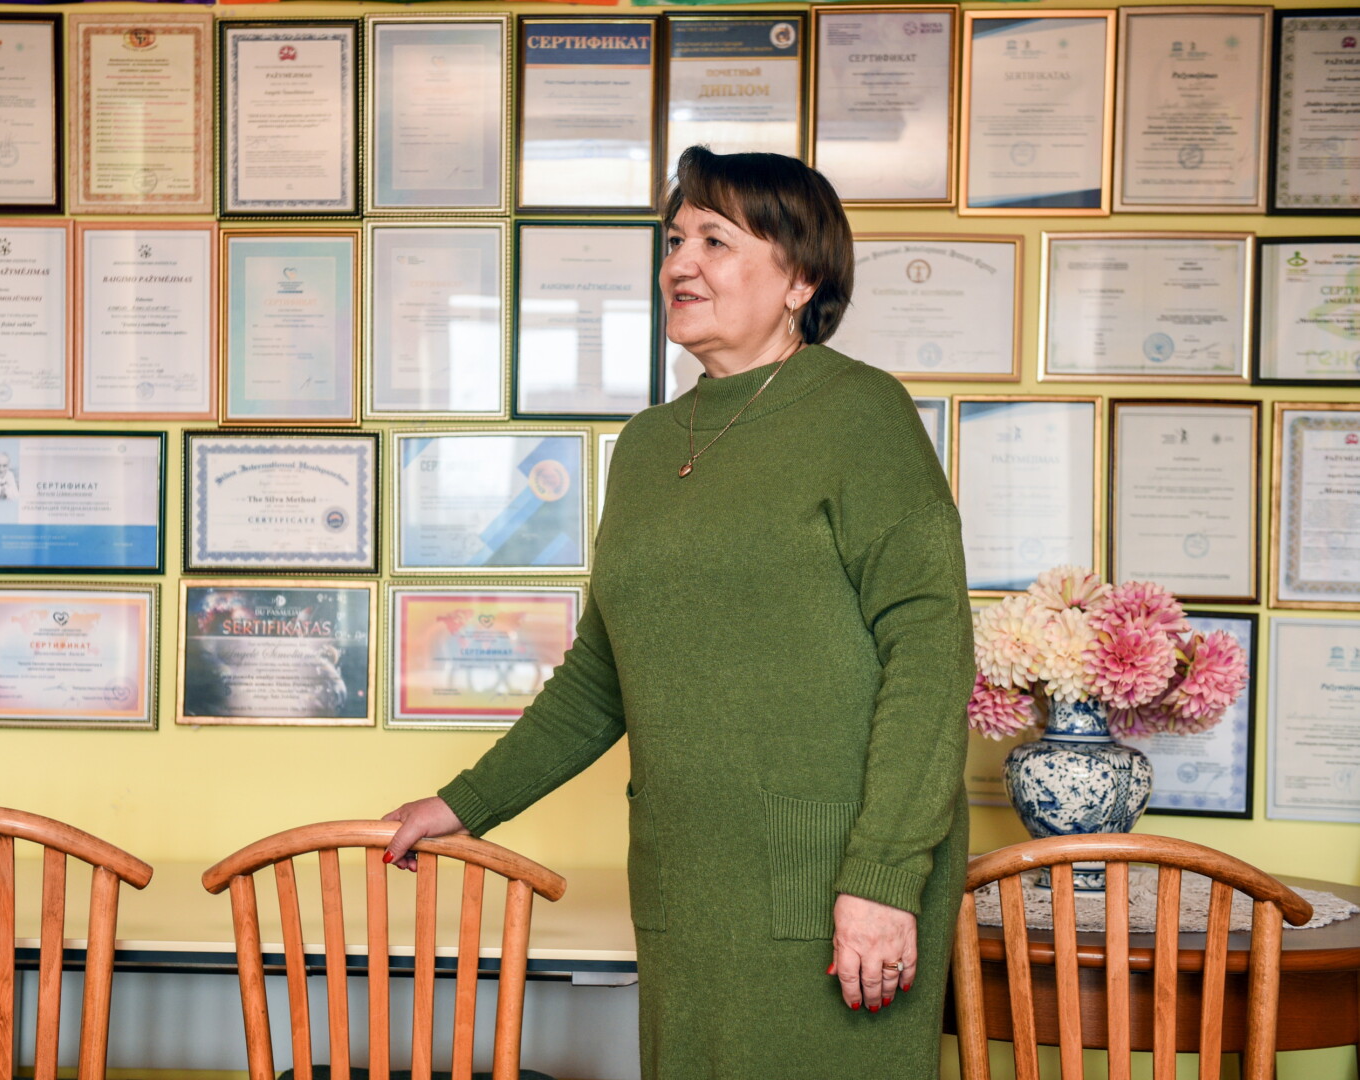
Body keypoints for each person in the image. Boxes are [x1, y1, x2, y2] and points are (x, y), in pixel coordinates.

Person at [382, 146, 974, 1079]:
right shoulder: (648, 447)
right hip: (686, 880)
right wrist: (465, 804)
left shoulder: (863, 415)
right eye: (673, 241)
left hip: (836, 885)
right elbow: (601, 676)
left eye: (714, 240)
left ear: (801, 279)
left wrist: (883, 877)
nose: (680, 263)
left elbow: (932, 658)